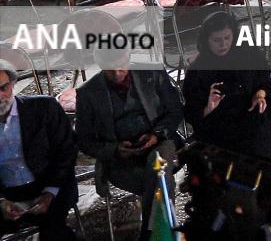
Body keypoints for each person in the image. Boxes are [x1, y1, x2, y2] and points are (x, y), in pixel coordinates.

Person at [75, 64, 182, 229]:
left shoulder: (151, 72)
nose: (116, 73)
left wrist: (156, 134)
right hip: (121, 160)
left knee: (159, 162)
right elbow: (84, 140)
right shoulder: (88, 92)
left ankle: (153, 234)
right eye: (110, 68)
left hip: (159, 143)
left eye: (120, 66)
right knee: (160, 180)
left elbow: (175, 110)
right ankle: (159, 234)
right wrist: (115, 150)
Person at [180, 12, 271, 166]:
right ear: (207, 41)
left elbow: (264, 79)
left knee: (266, 145)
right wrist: (209, 107)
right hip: (222, 127)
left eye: (227, 38)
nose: (223, 44)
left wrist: (260, 94)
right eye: (217, 40)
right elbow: (192, 113)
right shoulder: (198, 71)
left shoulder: (247, 53)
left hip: (254, 117)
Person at [0, 63, 78, 241]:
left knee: (55, 234)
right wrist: (1, 201)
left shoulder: (44, 108)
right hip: (6, 192)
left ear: (12, 84)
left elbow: (67, 151)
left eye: (3, 88)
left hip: (50, 185)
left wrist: (49, 193)